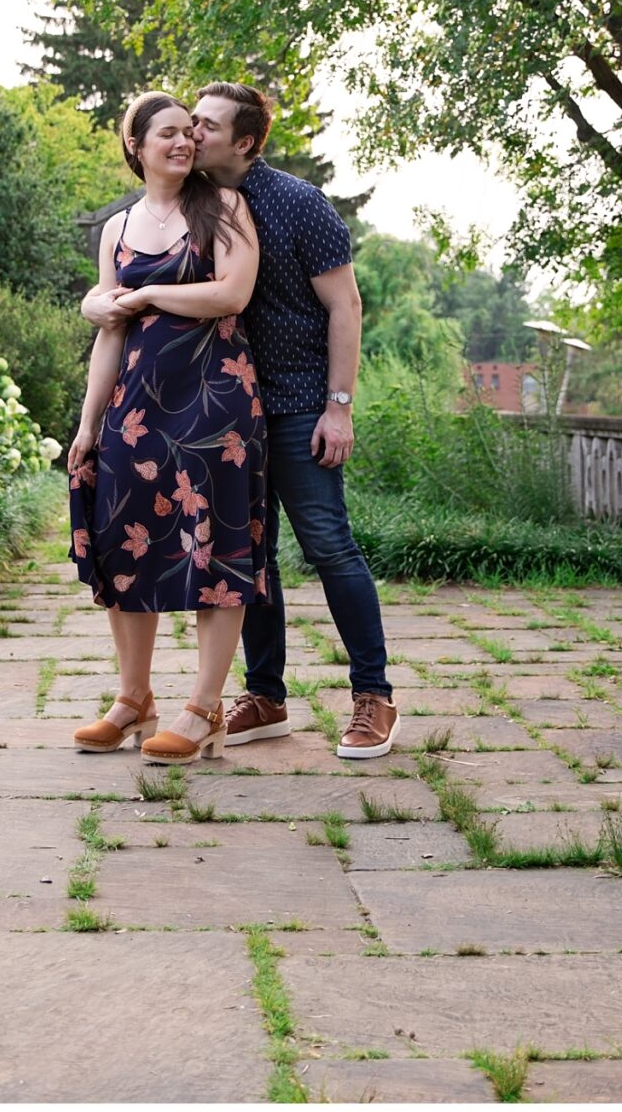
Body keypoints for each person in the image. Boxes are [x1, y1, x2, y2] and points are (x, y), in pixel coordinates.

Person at [84, 82, 397, 759]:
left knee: (327, 543)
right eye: (185, 123)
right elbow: (120, 284)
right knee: (248, 557)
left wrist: (338, 407)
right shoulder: (190, 201)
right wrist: (98, 301)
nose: (192, 133)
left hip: (296, 401)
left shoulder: (296, 203)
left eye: (206, 125)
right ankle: (265, 694)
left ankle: (373, 694)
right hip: (219, 403)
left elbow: (346, 305)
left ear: (246, 141)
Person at [65, 92, 270, 765]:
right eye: (169, 134)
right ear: (137, 147)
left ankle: (202, 707)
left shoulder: (225, 208)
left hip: (216, 407)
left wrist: (150, 293)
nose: (185, 142)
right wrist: (89, 423)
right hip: (136, 409)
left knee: (220, 554)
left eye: (191, 132)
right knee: (125, 548)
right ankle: (134, 701)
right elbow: (108, 332)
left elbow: (231, 294)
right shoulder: (116, 229)